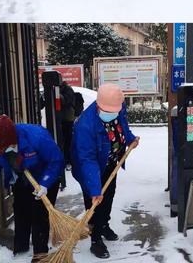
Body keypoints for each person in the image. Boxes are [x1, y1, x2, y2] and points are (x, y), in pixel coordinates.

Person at [0, 115, 64, 263]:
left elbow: (56, 160)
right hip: (21, 179)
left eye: (2, 148)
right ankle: (20, 249)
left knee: (39, 217)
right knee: (21, 212)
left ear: (11, 140)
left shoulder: (36, 136)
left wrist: (45, 184)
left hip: (44, 179)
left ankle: (40, 255)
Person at [72, 84, 140, 259]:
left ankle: (104, 225)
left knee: (109, 194)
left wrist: (130, 138)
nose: (112, 113)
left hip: (111, 162)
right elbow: (88, 160)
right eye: (108, 110)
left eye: (115, 110)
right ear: (98, 104)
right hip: (89, 169)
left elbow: (122, 125)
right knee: (94, 203)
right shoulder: (85, 125)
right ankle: (96, 239)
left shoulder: (118, 106)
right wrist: (94, 189)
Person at [60, 80, 76, 170]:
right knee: (63, 141)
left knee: (68, 141)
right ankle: (65, 159)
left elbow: (67, 100)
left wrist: (59, 96)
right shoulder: (58, 89)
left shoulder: (68, 89)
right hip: (60, 119)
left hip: (67, 119)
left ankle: (68, 160)